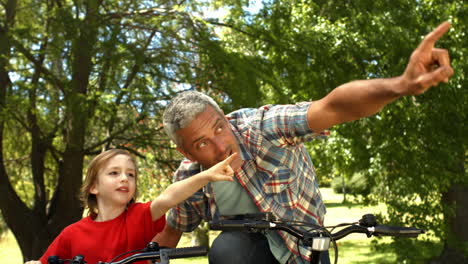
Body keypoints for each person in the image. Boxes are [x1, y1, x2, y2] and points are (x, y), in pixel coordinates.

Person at [155, 21, 454, 264]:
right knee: (226, 251)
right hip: (246, 254)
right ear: (186, 152)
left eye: (220, 128)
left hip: (306, 249)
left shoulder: (261, 128)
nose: (221, 148)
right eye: (202, 144)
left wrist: (400, 85)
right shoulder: (190, 176)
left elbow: (333, 107)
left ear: (225, 117)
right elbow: (172, 229)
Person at [25, 148, 237, 264]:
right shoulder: (72, 234)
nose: (125, 178)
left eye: (131, 174)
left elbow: (168, 196)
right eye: (114, 173)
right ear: (93, 187)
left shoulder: (139, 216)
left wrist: (206, 175)